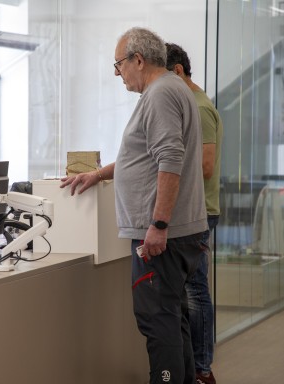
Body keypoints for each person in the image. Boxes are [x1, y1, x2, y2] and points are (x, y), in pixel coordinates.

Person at [60, 27, 208, 384]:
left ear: (138, 60)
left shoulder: (159, 94)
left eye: (118, 64)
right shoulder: (174, 89)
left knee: (158, 321)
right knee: (173, 319)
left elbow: (169, 158)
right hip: (179, 233)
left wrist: (158, 225)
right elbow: (141, 156)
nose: (117, 73)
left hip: (163, 237)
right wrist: (99, 174)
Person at [166, 43, 223, 384]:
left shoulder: (199, 109)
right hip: (197, 210)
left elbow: (205, 165)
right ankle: (197, 366)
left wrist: (170, 173)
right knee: (192, 291)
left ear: (177, 72)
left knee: (196, 292)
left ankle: (202, 369)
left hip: (200, 211)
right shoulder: (195, 105)